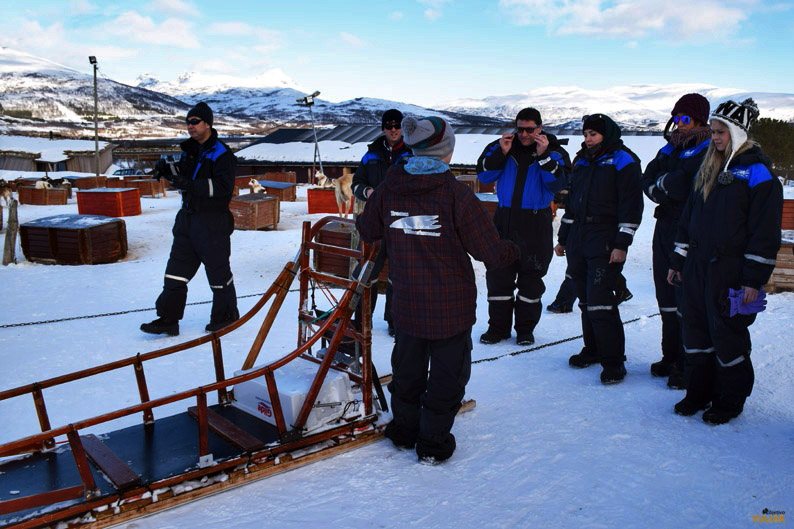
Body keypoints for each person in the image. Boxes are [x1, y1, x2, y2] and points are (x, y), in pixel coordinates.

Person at [356, 116, 518, 464]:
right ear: (447, 151)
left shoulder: (389, 185)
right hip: (450, 306)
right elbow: (488, 252)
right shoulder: (456, 193)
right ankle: (432, 443)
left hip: (408, 301)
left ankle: (403, 430)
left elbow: (367, 228)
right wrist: (516, 249)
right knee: (447, 375)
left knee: (408, 367)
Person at [668, 98, 782, 424]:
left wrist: (753, 280)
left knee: (727, 334)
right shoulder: (709, 169)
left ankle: (730, 400)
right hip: (697, 267)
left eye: (721, 132)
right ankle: (698, 392)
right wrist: (678, 260)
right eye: (714, 131)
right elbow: (688, 220)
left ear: (738, 132)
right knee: (695, 329)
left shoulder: (758, 174)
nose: (715, 138)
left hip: (731, 270)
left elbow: (764, 234)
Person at [556, 113, 643, 385]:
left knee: (602, 301)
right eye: (585, 134)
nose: (588, 138)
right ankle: (592, 350)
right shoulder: (581, 159)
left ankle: (613, 362)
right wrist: (563, 238)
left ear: (607, 134)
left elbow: (631, 205)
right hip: (579, 237)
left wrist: (622, 244)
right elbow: (571, 205)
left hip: (605, 237)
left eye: (594, 134)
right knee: (584, 300)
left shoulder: (623, 160)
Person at [141, 102, 239, 336]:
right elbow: (185, 178)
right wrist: (168, 172)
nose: (190, 126)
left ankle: (226, 316)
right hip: (187, 219)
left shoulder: (222, 153)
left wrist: (191, 185)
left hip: (212, 223)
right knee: (175, 271)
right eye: (188, 122)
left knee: (218, 273)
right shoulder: (190, 151)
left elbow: (224, 188)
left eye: (195, 122)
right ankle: (168, 319)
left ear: (207, 124)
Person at [476, 107, 570, 346]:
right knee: (498, 276)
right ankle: (497, 328)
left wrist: (543, 155)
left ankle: (525, 330)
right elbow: (484, 176)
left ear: (540, 128)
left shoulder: (555, 152)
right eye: (520, 129)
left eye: (530, 129)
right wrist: (502, 153)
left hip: (535, 221)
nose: (525, 134)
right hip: (504, 218)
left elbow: (559, 185)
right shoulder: (500, 146)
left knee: (531, 280)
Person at [640, 93, 712, 389]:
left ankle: (688, 363)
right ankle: (670, 356)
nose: (680, 125)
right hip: (665, 225)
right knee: (665, 297)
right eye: (677, 118)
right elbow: (648, 179)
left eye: (687, 119)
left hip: (690, 229)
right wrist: (664, 186)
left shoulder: (707, 149)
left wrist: (665, 185)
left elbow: (687, 185)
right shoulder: (668, 148)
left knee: (686, 299)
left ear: (699, 121)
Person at [352, 109, 413, 336]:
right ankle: (361, 321)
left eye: (397, 125)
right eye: (389, 125)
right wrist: (367, 191)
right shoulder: (371, 154)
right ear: (383, 128)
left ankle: (395, 322)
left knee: (399, 275)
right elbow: (356, 183)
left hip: (401, 223)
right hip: (374, 223)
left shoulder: (412, 153)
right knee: (366, 272)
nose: (394, 129)